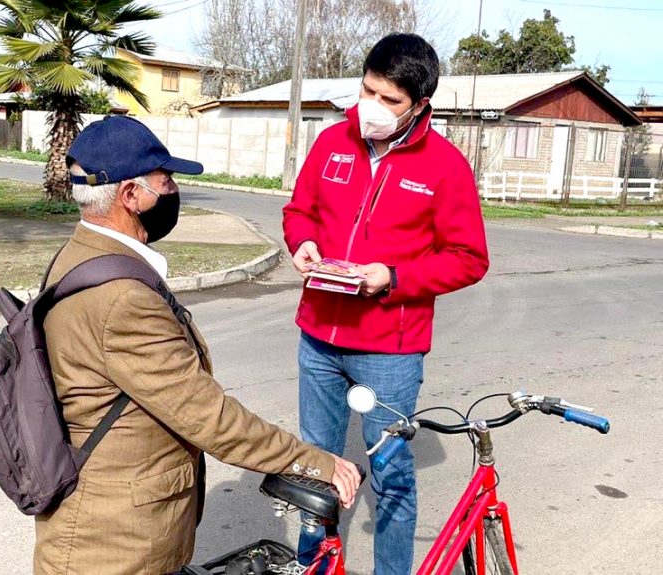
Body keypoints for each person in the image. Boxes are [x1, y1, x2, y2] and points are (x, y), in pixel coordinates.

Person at [33, 115, 362, 575]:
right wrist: (311, 461)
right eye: (164, 182)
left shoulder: (80, 257)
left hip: (102, 524)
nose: (172, 193)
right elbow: (208, 416)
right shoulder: (121, 297)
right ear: (131, 196)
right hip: (112, 546)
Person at [282, 33, 490, 574]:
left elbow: (469, 258)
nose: (372, 106)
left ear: (420, 104)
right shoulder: (332, 143)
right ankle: (316, 568)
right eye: (367, 90)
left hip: (388, 353)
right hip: (318, 341)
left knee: (391, 478)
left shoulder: (445, 167)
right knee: (315, 471)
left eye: (389, 99)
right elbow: (298, 211)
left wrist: (393, 277)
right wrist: (301, 242)